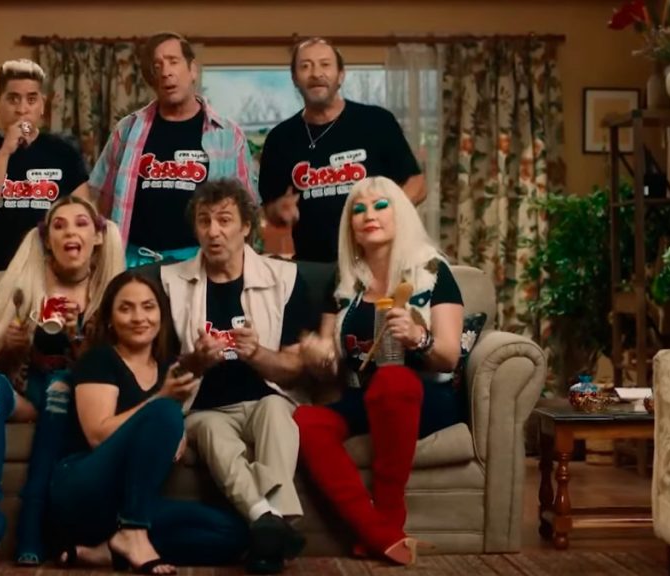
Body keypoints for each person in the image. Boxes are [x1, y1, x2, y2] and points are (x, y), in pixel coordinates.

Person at [293, 176, 465, 566]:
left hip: (423, 396)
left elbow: (449, 356)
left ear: (400, 213)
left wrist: (419, 338)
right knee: (305, 420)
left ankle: (390, 513)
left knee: (393, 380)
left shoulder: (433, 271)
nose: (368, 215)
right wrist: (318, 354)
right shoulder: (344, 281)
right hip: (362, 395)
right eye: (358, 209)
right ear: (350, 226)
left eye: (380, 205)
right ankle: (378, 533)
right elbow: (330, 356)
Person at [158, 178, 314, 574]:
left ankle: (266, 526)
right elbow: (159, 371)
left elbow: (296, 368)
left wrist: (258, 354)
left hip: (267, 398)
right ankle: (271, 525)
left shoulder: (285, 279)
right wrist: (196, 360)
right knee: (210, 430)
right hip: (205, 408)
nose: (213, 232)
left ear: (246, 226)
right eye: (204, 221)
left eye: (225, 220)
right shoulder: (171, 283)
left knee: (276, 412)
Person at [0, 196, 124, 567]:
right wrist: (12, 346)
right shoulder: (24, 285)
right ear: (47, 239)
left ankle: (32, 520)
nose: (69, 232)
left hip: (69, 398)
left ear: (98, 236)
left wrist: (77, 338)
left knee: (60, 387)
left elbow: (110, 371)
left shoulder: (110, 293)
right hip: (25, 391)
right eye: (58, 226)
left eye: (81, 223)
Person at [48, 271, 249, 575]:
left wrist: (178, 432)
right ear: (110, 319)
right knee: (164, 409)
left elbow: (167, 427)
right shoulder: (99, 360)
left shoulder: (169, 366)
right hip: (81, 490)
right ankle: (133, 533)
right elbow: (97, 436)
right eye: (125, 308)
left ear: (161, 315)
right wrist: (162, 401)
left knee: (233, 533)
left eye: (148, 307)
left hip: (128, 504)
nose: (139, 317)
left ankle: (110, 550)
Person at [89, 32, 257, 268]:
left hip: (201, 265)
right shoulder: (127, 130)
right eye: (157, 66)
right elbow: (101, 201)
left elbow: (247, 210)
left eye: (173, 61)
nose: (166, 71)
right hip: (135, 263)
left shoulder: (228, 135)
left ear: (193, 70)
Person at [258, 37, 424, 263]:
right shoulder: (280, 139)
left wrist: (384, 213)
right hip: (315, 265)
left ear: (341, 75)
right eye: (305, 66)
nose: (316, 73)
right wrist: (279, 211)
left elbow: (417, 184)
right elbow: (271, 211)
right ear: (295, 78)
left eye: (325, 64)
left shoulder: (377, 122)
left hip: (378, 262)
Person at [0, 58, 91, 274]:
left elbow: (83, 220)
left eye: (31, 99)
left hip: (52, 275)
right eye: (13, 99)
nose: (22, 109)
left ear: (42, 105)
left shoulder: (64, 152)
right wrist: (5, 151)